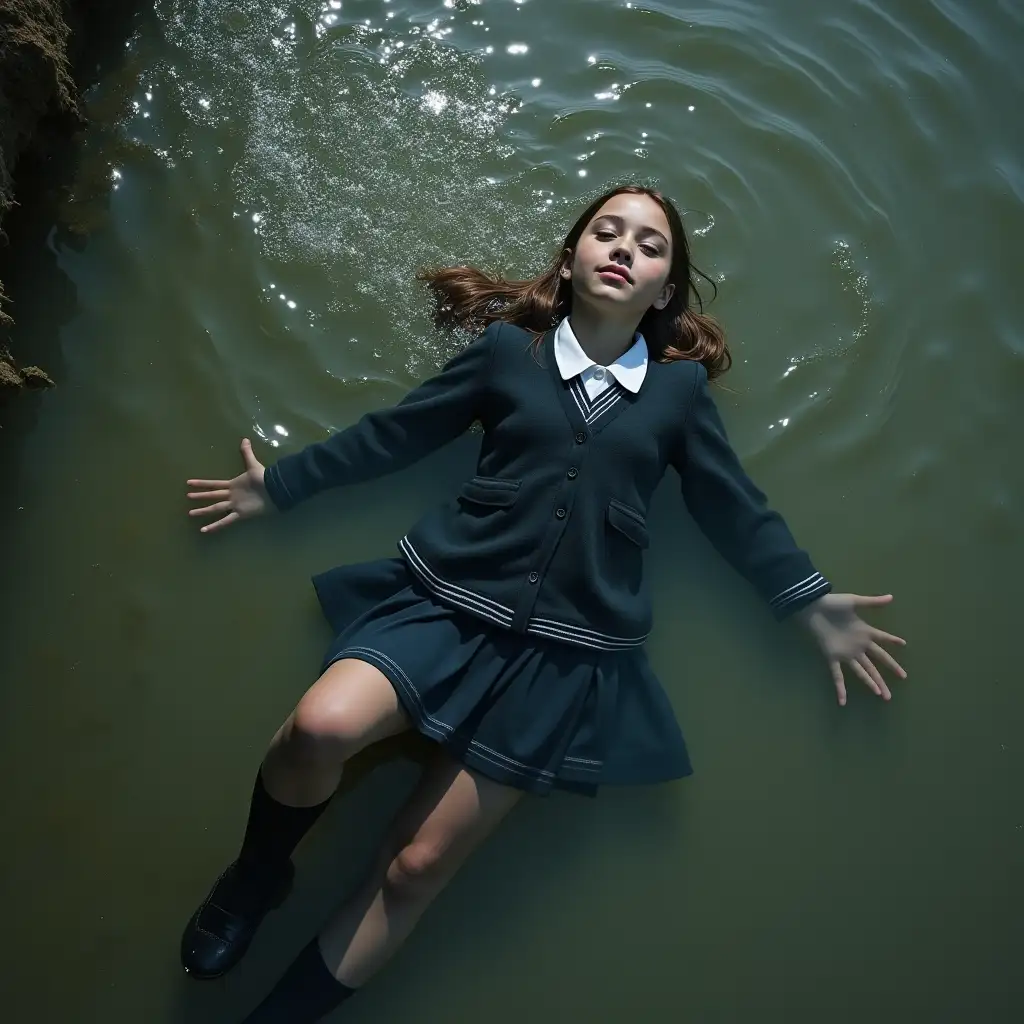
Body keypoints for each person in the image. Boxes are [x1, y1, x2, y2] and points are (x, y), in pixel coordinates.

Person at [182, 184, 906, 1021]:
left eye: (649, 244)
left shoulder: (677, 397)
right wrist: (278, 485)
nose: (623, 247)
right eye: (606, 231)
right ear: (571, 260)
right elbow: (397, 432)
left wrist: (808, 603)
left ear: (665, 291)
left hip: (563, 654)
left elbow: (730, 504)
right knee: (317, 729)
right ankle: (258, 875)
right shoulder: (505, 353)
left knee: (414, 869)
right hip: (445, 601)